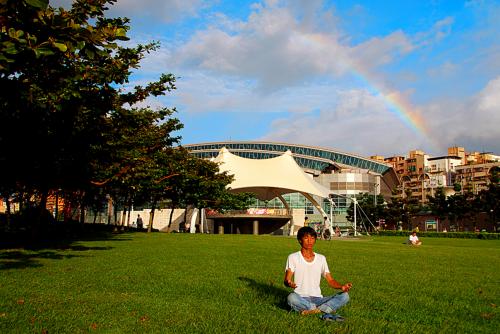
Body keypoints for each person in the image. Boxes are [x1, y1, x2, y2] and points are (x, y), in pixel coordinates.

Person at [284, 226, 352, 322]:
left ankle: (312, 310)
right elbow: (287, 280)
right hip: (300, 297)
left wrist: (342, 287)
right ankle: (322, 309)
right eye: (306, 238)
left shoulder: (321, 258)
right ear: (300, 240)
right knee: (291, 298)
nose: (309, 241)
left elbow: (330, 280)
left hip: (318, 298)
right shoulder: (293, 257)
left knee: (345, 296)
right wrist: (289, 283)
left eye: (312, 238)